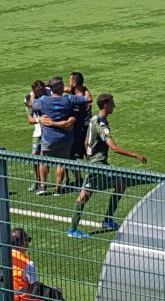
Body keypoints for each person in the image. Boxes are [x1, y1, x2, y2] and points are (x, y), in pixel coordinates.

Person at [67, 94, 147, 238]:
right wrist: (135, 155)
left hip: (99, 164)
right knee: (84, 196)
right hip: (97, 166)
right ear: (105, 104)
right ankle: (72, 230)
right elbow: (114, 148)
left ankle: (107, 220)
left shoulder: (93, 119)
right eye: (112, 103)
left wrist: (90, 156)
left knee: (120, 184)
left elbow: (86, 142)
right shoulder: (101, 124)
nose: (114, 106)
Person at [32, 76, 87, 196]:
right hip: (65, 138)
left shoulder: (43, 100)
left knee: (44, 161)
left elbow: (33, 104)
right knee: (61, 163)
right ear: (62, 88)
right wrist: (79, 89)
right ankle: (58, 188)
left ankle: (42, 186)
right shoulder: (69, 99)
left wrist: (40, 118)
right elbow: (85, 99)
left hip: (48, 138)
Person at [65, 71, 93, 188]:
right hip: (74, 130)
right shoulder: (72, 90)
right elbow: (61, 89)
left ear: (75, 83)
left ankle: (93, 177)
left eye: (70, 80)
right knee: (71, 155)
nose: (68, 82)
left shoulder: (85, 94)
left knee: (89, 153)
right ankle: (78, 178)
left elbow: (89, 99)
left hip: (84, 129)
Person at [24, 80, 48, 193]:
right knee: (34, 156)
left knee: (46, 157)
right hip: (38, 132)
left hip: (49, 131)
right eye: (39, 91)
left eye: (42, 90)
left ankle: (43, 183)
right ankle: (37, 180)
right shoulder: (29, 98)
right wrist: (39, 120)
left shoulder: (49, 92)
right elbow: (30, 119)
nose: (42, 93)